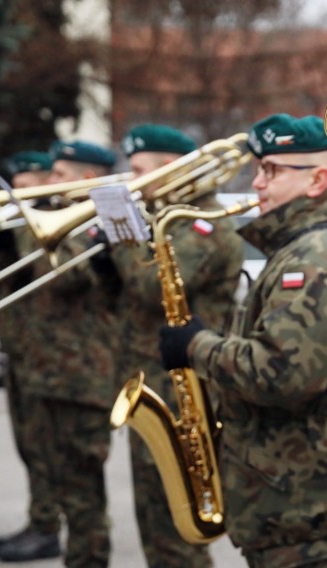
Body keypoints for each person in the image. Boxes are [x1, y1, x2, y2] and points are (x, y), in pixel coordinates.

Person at [158, 113, 327, 567]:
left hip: (299, 489)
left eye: (273, 170)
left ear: (318, 179)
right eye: (260, 169)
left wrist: (196, 345)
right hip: (289, 485)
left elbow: (285, 374)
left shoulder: (312, 258)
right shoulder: (301, 248)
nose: (257, 182)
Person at [105, 124, 244, 567]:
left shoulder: (200, 225)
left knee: (178, 526)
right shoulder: (163, 219)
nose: (131, 178)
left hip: (184, 391)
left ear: (168, 168)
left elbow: (148, 286)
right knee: (153, 519)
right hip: (151, 381)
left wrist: (120, 233)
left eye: (139, 169)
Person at [0, 139, 121, 567]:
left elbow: (65, 278)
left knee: (83, 491)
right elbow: (6, 286)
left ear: (87, 178)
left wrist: (37, 227)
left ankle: (88, 558)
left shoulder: (101, 220)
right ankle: (52, 535)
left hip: (82, 376)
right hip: (41, 366)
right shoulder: (57, 217)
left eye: (60, 175)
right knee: (50, 470)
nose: (50, 182)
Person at [0, 151, 62, 563]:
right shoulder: (23, 222)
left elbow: (53, 273)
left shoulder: (60, 219)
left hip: (55, 357)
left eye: (27, 183)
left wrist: (20, 229)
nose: (19, 192)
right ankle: (39, 521)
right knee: (28, 445)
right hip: (20, 349)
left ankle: (48, 525)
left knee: (48, 447)